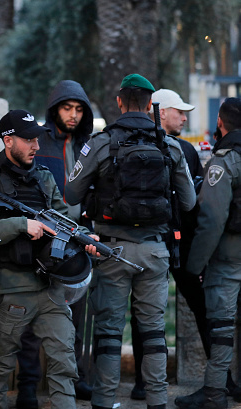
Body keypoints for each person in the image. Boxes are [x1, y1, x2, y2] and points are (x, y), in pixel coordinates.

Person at [64, 74, 196, 409]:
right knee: (153, 333)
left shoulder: (101, 142)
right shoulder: (169, 145)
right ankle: (157, 402)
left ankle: (105, 402)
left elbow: (71, 193)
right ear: (151, 105)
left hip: (111, 251)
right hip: (155, 250)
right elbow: (190, 201)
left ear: (120, 102)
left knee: (108, 333)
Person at [0, 109, 99, 409]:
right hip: (9, 288)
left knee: (64, 362)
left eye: (37, 139)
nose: (36, 146)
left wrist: (85, 238)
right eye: (28, 140)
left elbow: (62, 218)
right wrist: (21, 225)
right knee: (0, 365)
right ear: (8, 140)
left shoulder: (42, 177)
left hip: (48, 287)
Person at [15, 80, 94, 407]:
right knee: (32, 319)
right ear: (55, 108)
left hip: (79, 240)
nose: (72, 115)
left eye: (78, 109)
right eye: (66, 108)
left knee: (72, 317)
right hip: (40, 239)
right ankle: (28, 387)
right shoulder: (38, 141)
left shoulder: (90, 144)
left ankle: (71, 381)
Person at [129, 88, 207, 400]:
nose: (184, 117)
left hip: (163, 242)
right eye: (179, 111)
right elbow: (194, 203)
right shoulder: (180, 150)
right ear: (161, 112)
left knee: (143, 313)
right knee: (149, 311)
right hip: (171, 243)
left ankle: (141, 382)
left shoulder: (180, 149)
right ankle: (221, 379)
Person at [174, 97, 241, 409]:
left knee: (222, 326)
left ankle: (215, 393)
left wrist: (194, 265)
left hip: (227, 256)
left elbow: (212, 220)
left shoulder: (224, 161)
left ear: (220, 123)